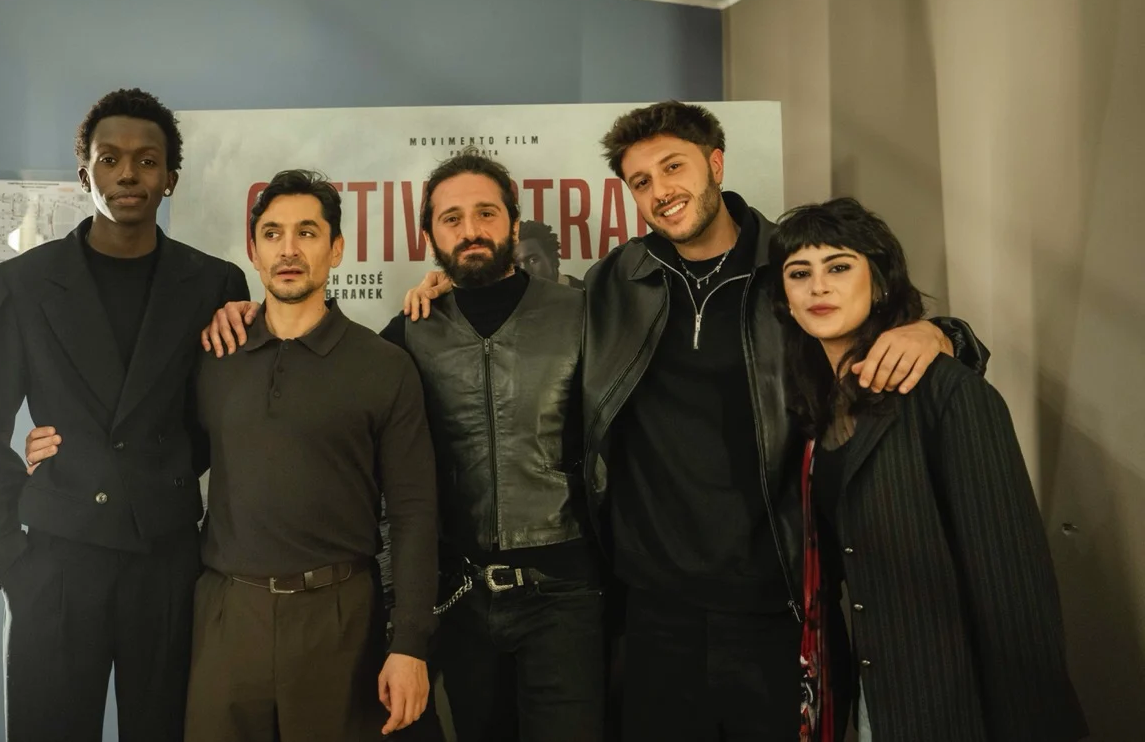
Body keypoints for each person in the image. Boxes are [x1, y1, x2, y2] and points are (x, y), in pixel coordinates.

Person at [403, 100, 985, 741]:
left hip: (775, 602)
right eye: (641, 181)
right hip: (653, 611)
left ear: (716, 164)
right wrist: (451, 286)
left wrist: (942, 333)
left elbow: (873, 322)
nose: (660, 191)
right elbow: (520, 312)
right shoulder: (617, 280)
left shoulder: (787, 268)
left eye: (673, 167)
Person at [204, 150, 605, 742]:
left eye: (486, 214)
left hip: (567, 592)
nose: (470, 230)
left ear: (514, 224)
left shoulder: (582, 314)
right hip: (462, 596)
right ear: (429, 236)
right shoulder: (409, 333)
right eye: (451, 218)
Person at [0, 88, 250, 741]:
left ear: (171, 177)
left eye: (147, 160)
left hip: (168, 560)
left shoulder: (215, 284)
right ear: (84, 173)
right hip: (56, 559)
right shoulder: (17, 286)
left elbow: (216, 425)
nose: (128, 173)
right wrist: (8, 559)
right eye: (110, 158)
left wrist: (163, 468)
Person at [770, 198, 1086, 742]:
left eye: (839, 267)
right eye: (800, 274)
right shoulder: (814, 410)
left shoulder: (947, 392)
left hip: (955, 707)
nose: (818, 287)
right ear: (785, 299)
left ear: (879, 283)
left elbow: (1014, 589)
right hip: (874, 700)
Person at [516, 220, 585, 289]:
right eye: (516, 264)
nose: (523, 271)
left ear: (554, 259)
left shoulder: (588, 293)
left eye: (533, 260)